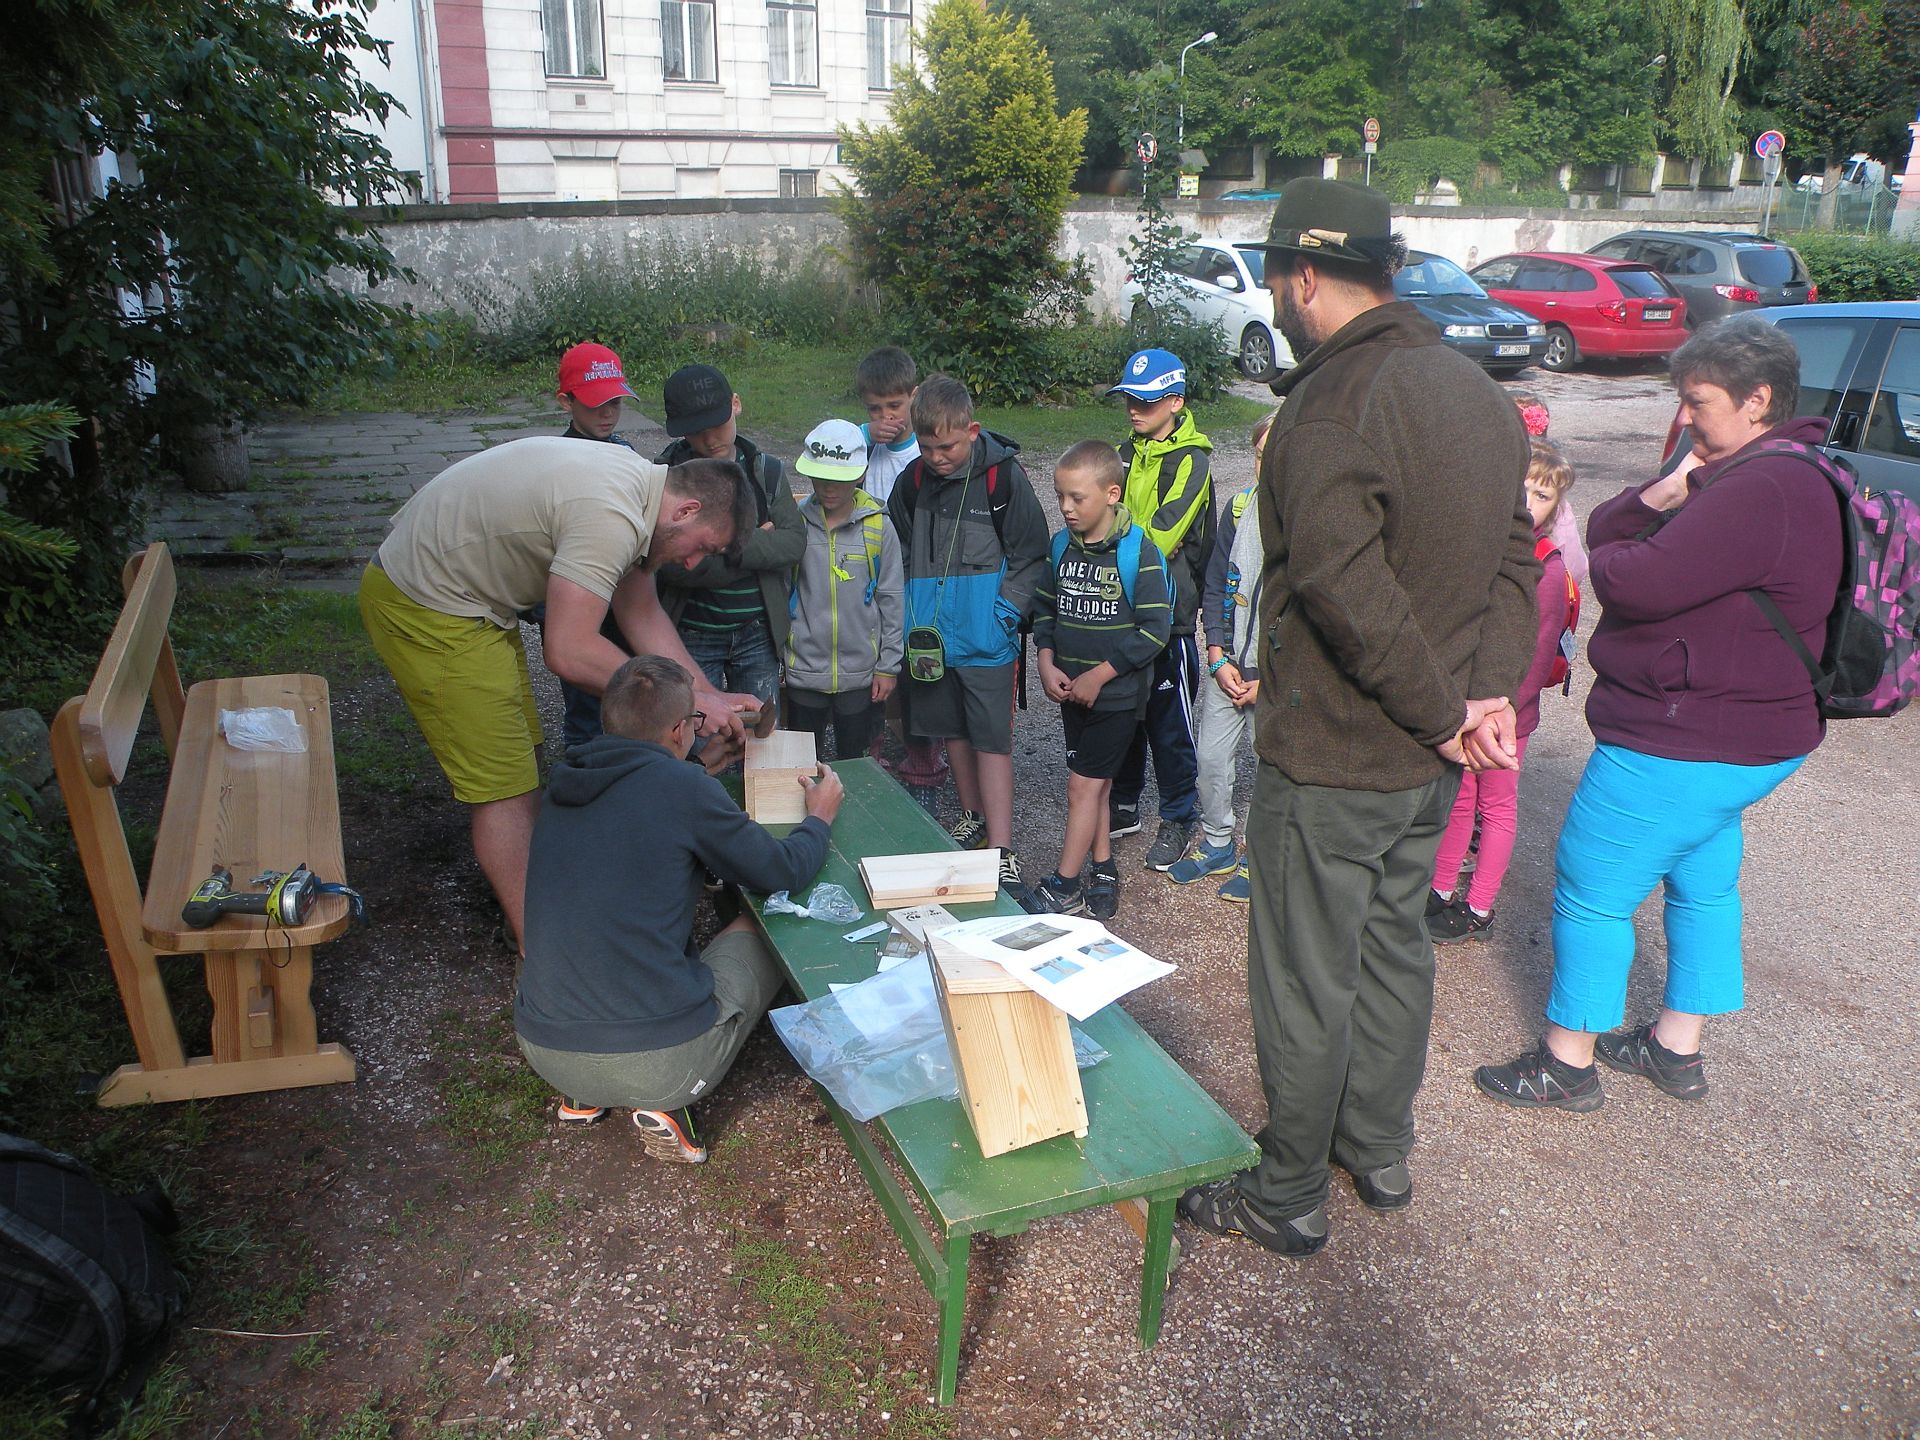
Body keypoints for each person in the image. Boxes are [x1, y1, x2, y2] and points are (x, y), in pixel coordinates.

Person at [1176, 178, 1541, 1257]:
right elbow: (1514, 559)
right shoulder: (1474, 390)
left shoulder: (1331, 405)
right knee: (1392, 951)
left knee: (1306, 976)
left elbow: (1344, 590)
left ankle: (1287, 1192)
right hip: (1426, 764)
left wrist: (1446, 711)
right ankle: (1377, 1149)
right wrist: (1480, 698)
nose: (1277, 300)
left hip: (1340, 755)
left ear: (1300, 277)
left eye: (1275, 280)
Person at [1474, 315, 1841, 1111]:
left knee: (1592, 888)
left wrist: (1626, 550)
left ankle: (1567, 1064)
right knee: (1703, 885)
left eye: (1698, 402)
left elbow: (1625, 577)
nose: (1686, 417)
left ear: (1757, 400)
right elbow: (1610, 528)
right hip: (1749, 737)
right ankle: (1676, 1049)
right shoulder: (1787, 469)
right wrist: (1675, 480)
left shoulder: (1762, 489)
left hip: (1685, 738)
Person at [358, 437, 745, 951]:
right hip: (430, 602)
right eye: (703, 547)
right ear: (686, 510)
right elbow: (568, 650)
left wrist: (709, 693)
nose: (693, 564)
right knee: (503, 786)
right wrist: (688, 702)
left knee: (522, 758)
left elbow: (641, 612)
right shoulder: (611, 515)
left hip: (473, 600)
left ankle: (546, 904)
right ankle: (544, 952)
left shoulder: (641, 495)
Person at [515, 655, 845, 1161]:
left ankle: (586, 1093)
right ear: (677, 730)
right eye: (694, 720)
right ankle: (665, 1103)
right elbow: (781, 872)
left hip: (546, 1050)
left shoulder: (565, 784)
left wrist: (696, 766)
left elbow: (641, 796)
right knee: (765, 924)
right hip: (661, 1065)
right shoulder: (685, 790)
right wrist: (818, 817)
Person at [888, 374, 1049, 899]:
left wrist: (1004, 615)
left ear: (972, 431)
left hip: (987, 638)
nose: (938, 458)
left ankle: (1002, 850)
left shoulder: (1004, 479)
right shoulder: (912, 481)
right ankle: (972, 817)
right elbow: (899, 547)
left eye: (949, 447)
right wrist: (908, 611)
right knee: (951, 731)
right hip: (930, 641)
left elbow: (1031, 554)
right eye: (927, 447)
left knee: (991, 740)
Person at [1427, 438, 1579, 943]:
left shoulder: (1548, 569)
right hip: (1467, 704)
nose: (1529, 504)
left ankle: (1480, 906)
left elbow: (1534, 659)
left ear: (1556, 507)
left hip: (1507, 713)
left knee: (1495, 805)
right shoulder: (1487, 544)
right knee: (1458, 798)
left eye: (1543, 496)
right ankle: (1440, 887)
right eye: (1523, 489)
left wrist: (1500, 712)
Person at [1029, 441, 1173, 919]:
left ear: (1112, 494)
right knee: (1098, 786)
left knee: (1082, 788)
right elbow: (1045, 609)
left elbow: (1154, 630)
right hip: (1072, 693)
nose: (1066, 507)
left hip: (1116, 696)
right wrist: (1045, 660)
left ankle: (1065, 885)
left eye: (1077, 498)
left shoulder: (1139, 552)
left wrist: (1099, 676)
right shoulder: (1060, 546)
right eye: (1060, 496)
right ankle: (1104, 866)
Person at [1105, 348, 1215, 871]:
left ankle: (1177, 815)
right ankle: (1124, 803)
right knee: (1124, 714)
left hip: (1170, 617)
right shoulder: (1122, 453)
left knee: (1169, 726)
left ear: (1176, 401)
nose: (1134, 408)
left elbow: (1164, 536)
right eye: (1129, 398)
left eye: (1146, 401)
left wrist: (1109, 538)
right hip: (1121, 609)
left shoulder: (1193, 460)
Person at [1167, 411, 1277, 904]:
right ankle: (1217, 844)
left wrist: (1270, 679)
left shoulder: (1306, 524)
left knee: (1270, 768)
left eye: (1276, 456)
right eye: (1259, 456)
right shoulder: (1238, 509)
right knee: (1211, 759)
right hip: (1227, 664)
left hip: (1272, 676)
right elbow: (1215, 583)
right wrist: (1215, 650)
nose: (1264, 466)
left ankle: (1261, 856)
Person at [855, 345, 948, 799]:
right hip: (869, 579)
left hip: (913, 579)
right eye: (875, 409)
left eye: (894, 405)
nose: (886, 417)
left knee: (916, 667)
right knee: (869, 662)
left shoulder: (924, 451)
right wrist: (864, 436)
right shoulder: (863, 446)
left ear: (914, 396)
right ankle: (870, 751)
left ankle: (924, 758)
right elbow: (834, 461)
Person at [784, 418, 905, 759]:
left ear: (860, 474)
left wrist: (888, 666)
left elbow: (892, 598)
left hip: (860, 674)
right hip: (804, 670)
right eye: (820, 478)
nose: (828, 488)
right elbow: (781, 591)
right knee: (803, 763)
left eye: (839, 479)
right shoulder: (795, 523)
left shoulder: (878, 526)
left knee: (856, 762)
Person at [555, 341, 639, 447]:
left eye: (615, 402)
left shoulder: (623, 448)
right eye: (596, 403)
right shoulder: (561, 454)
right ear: (566, 402)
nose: (607, 413)